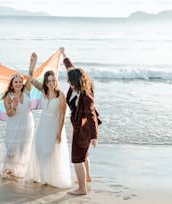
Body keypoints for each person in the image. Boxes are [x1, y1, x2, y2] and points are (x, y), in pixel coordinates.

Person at [25, 52, 72, 188]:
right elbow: (29, 78)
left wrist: (59, 132)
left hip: (54, 126)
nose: (51, 83)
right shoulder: (43, 91)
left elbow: (63, 115)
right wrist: (33, 63)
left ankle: (52, 177)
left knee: (50, 152)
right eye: (49, 81)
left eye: (53, 80)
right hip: (42, 125)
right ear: (46, 82)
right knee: (39, 150)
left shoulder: (60, 95)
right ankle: (43, 177)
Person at [60, 47, 99, 195]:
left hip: (83, 129)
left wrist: (94, 136)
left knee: (77, 158)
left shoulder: (85, 95)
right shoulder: (78, 86)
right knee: (84, 154)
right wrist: (64, 54)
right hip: (82, 127)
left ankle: (82, 189)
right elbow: (70, 67)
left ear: (76, 81)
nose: (68, 82)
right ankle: (87, 177)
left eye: (70, 81)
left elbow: (91, 115)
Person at [0, 53, 35, 178]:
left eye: (19, 82)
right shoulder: (8, 96)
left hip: (27, 124)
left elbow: (30, 77)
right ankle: (8, 168)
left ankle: (20, 170)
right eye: (15, 82)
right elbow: (9, 114)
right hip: (14, 124)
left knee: (24, 147)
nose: (18, 84)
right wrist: (14, 106)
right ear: (12, 84)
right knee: (12, 148)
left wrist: (32, 63)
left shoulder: (26, 91)